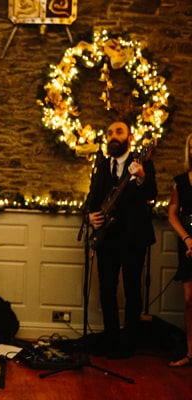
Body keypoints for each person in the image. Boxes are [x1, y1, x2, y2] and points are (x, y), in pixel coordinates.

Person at [88, 120, 157, 359]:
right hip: (106, 238)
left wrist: (141, 176)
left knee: (132, 290)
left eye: (119, 132)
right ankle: (110, 338)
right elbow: (92, 199)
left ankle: (129, 342)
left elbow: (152, 194)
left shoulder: (142, 163)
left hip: (133, 238)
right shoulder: (101, 166)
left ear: (129, 137)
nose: (113, 136)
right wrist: (91, 216)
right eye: (109, 133)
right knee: (107, 289)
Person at [166, 132, 192, 367]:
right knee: (189, 299)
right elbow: (172, 213)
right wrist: (187, 239)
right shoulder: (181, 181)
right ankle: (190, 352)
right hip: (187, 241)